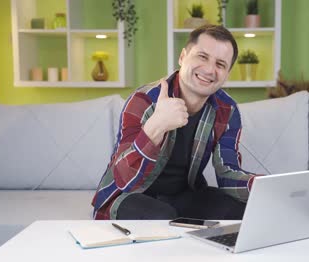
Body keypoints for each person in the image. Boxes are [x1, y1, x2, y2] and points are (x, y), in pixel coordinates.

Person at [92, 24, 257, 220]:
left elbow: (228, 174)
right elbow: (123, 178)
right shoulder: (144, 100)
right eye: (202, 57)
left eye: (220, 64)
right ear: (182, 57)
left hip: (182, 196)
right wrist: (156, 126)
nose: (209, 69)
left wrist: (263, 186)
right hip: (128, 195)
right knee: (163, 216)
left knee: (241, 211)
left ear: (227, 74)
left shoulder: (227, 110)